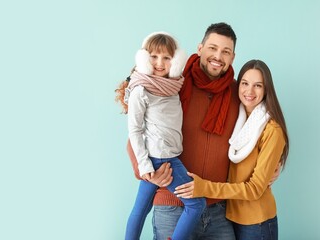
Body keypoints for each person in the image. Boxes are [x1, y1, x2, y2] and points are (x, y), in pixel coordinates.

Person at [127, 22, 241, 240]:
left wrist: (276, 163)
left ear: (232, 57)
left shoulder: (239, 94)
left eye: (225, 51)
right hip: (172, 208)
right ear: (200, 49)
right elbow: (136, 134)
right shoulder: (173, 84)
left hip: (219, 211)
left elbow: (256, 132)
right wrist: (147, 172)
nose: (218, 56)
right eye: (212, 48)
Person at [174, 59, 289, 240]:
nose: (249, 91)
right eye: (244, 83)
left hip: (256, 223)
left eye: (258, 85)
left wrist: (205, 188)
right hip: (230, 216)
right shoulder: (238, 118)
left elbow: (254, 189)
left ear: (267, 89)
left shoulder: (271, 129)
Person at [115, 32, 206, 240]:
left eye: (166, 58)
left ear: (174, 62)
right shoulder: (141, 90)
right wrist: (145, 166)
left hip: (168, 154)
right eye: (154, 57)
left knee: (141, 209)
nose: (160, 63)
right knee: (196, 203)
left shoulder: (173, 88)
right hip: (161, 158)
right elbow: (135, 130)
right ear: (145, 59)